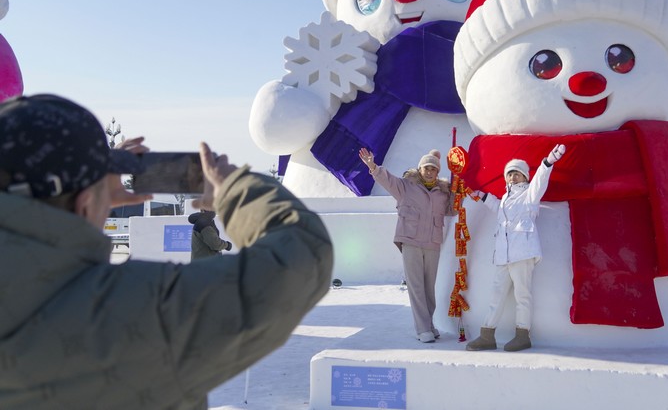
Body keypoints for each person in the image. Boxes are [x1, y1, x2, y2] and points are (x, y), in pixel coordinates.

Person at [0, 94, 333, 409]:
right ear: (85, 202)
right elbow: (302, 253)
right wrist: (235, 189)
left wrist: (92, 200)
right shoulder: (132, 311)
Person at [466, 144, 566, 352]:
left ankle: (522, 335)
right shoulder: (504, 200)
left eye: (517, 174)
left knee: (523, 295)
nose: (512, 178)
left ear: (524, 177)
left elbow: (540, 181)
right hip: (503, 255)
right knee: (496, 295)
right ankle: (487, 335)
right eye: (509, 174)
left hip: (523, 253)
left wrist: (548, 162)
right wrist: (481, 196)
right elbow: (495, 207)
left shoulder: (530, 195)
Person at [358, 147, 455, 343]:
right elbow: (387, 180)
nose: (429, 172)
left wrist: (458, 187)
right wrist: (373, 166)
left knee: (429, 288)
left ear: (438, 172)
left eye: (433, 169)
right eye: (426, 168)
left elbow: (453, 209)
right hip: (410, 241)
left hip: (432, 243)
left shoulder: (442, 193)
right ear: (420, 170)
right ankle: (422, 329)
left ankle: (429, 324)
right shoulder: (406, 187)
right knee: (416, 286)